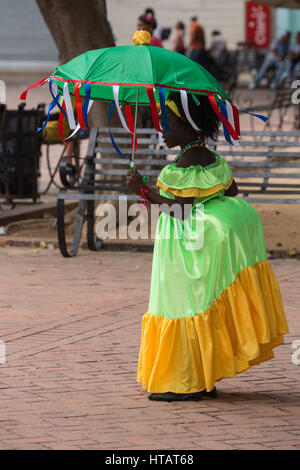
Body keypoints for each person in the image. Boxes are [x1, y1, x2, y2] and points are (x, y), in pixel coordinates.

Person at [126, 91, 289, 402]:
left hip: (186, 245)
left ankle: (183, 380)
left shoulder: (182, 164)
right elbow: (232, 189)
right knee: (198, 304)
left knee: (180, 305)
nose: (162, 128)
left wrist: (142, 190)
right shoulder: (211, 157)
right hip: (206, 238)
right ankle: (201, 377)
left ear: (188, 127)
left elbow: (181, 210)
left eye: (168, 122)